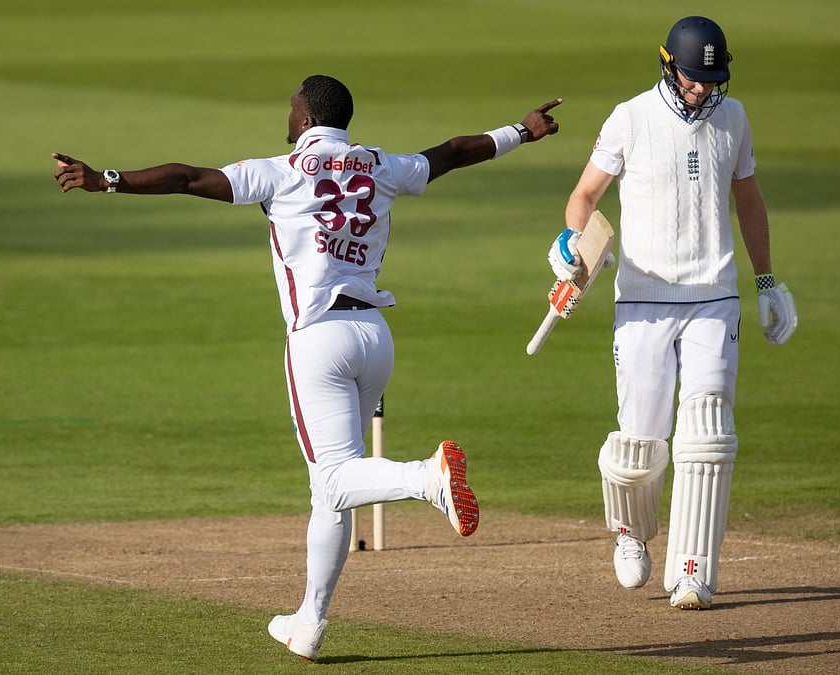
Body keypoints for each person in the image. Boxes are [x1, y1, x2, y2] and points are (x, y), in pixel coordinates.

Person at [54, 74, 562, 660]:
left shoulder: (282, 170)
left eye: (290, 107)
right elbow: (450, 153)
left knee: (333, 478)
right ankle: (310, 623)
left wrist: (106, 180)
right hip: (375, 336)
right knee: (333, 496)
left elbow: (187, 177)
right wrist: (521, 131)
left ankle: (427, 478)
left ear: (302, 118)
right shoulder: (379, 165)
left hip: (318, 339)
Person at [547, 17, 797, 610]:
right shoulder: (629, 117)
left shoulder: (732, 120)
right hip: (642, 300)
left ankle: (693, 570)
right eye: (695, 77)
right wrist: (569, 246)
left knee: (707, 433)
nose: (705, 90)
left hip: (713, 296)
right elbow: (585, 196)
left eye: (714, 80)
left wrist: (765, 281)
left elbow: (749, 200)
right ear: (668, 65)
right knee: (641, 436)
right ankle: (632, 534)